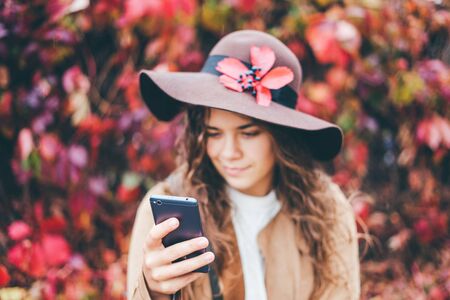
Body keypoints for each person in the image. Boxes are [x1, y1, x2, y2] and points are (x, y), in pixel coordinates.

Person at [127, 30, 360, 300]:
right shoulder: (166, 212)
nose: (229, 152)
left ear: (281, 137)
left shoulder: (325, 208)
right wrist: (153, 289)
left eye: (248, 133)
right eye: (214, 133)